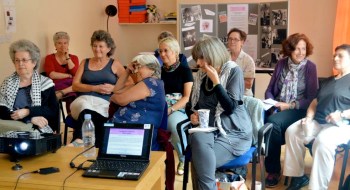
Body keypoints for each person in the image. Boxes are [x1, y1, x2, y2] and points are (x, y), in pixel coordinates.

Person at [186, 36, 252, 190]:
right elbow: (190, 105)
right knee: (198, 142)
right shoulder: (200, 76)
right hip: (208, 127)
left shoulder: (233, 71)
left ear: (213, 55)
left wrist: (217, 82)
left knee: (200, 163)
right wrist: (192, 115)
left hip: (233, 132)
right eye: (197, 59)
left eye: (201, 58)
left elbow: (230, 108)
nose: (198, 63)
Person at [283, 44, 350, 190]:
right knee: (292, 131)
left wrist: (342, 114)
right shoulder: (328, 80)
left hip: (341, 125)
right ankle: (298, 177)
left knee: (322, 142)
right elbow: (315, 101)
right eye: (334, 55)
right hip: (318, 121)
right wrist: (308, 117)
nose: (335, 58)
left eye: (340, 56)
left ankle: (317, 187)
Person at [264, 33, 318, 187]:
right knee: (269, 124)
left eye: (304, 48)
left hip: (299, 110)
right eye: (297, 49)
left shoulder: (310, 67)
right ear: (289, 49)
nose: (301, 52)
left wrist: (289, 106)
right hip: (279, 108)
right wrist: (273, 103)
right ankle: (273, 168)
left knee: (272, 123)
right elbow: (269, 90)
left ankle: (273, 170)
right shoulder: (281, 64)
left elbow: (311, 97)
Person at [69, 30, 129, 147]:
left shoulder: (114, 64)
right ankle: (88, 142)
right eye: (94, 46)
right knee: (85, 108)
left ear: (109, 48)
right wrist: (94, 88)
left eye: (101, 46)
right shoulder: (84, 62)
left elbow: (129, 83)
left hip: (104, 102)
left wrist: (113, 88)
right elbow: (75, 85)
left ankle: (82, 141)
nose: (97, 49)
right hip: (83, 100)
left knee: (97, 114)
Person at [0, 39, 59, 134]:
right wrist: (29, 118)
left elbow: (52, 111)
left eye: (24, 60)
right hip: (11, 126)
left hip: (39, 128)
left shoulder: (45, 83)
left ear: (34, 62)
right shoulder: (7, 83)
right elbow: (1, 110)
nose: (20, 64)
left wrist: (28, 111)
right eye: (17, 60)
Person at [110, 54, 165, 151]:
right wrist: (127, 71)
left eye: (140, 67)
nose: (136, 71)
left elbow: (120, 100)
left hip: (136, 133)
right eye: (135, 67)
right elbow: (117, 90)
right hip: (127, 130)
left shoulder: (151, 82)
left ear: (152, 69)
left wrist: (112, 97)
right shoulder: (142, 83)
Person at [158, 37, 194, 175]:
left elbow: (187, 97)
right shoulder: (159, 71)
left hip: (179, 108)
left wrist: (171, 109)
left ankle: (183, 159)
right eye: (160, 51)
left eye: (166, 50)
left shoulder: (185, 70)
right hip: (161, 107)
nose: (162, 54)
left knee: (174, 125)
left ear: (175, 52)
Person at [44, 31, 79, 113]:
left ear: (68, 44)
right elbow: (52, 75)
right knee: (75, 87)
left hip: (68, 87)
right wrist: (69, 76)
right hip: (56, 85)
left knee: (76, 88)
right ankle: (72, 115)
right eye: (59, 43)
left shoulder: (74, 58)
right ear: (55, 45)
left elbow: (76, 73)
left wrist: (67, 57)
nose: (63, 46)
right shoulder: (49, 58)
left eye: (65, 43)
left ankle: (63, 93)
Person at [227, 28, 255, 96]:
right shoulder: (222, 57)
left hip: (243, 96)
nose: (232, 41)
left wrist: (227, 81)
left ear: (242, 42)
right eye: (230, 39)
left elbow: (248, 84)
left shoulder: (248, 60)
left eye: (235, 39)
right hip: (226, 95)